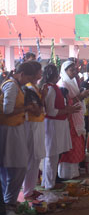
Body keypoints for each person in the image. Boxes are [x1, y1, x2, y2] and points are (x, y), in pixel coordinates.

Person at [0, 62, 38, 215]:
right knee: (18, 166)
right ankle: (8, 201)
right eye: (28, 77)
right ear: (21, 74)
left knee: (9, 166)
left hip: (14, 128)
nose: (28, 81)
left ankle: (7, 200)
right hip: (9, 129)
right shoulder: (11, 86)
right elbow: (7, 109)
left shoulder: (16, 85)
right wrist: (27, 108)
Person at [41, 64, 80, 190]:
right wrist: (67, 110)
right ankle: (49, 184)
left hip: (58, 124)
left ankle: (48, 182)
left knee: (54, 155)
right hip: (53, 124)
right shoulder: (50, 89)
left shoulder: (53, 87)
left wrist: (68, 110)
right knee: (51, 155)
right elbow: (51, 111)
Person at [57, 61, 89, 179]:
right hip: (69, 120)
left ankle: (74, 172)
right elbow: (65, 103)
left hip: (76, 118)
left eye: (75, 70)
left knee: (77, 145)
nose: (75, 72)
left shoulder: (72, 82)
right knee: (70, 147)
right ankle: (65, 174)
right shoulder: (62, 83)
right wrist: (81, 96)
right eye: (72, 70)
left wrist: (82, 96)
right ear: (64, 71)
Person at [22, 61, 47, 199]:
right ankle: (27, 191)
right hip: (31, 124)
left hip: (36, 124)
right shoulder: (29, 88)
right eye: (39, 71)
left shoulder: (34, 87)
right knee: (32, 157)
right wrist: (43, 96)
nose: (41, 73)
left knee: (35, 158)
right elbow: (37, 111)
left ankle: (30, 189)